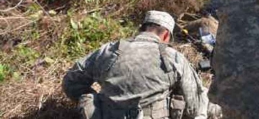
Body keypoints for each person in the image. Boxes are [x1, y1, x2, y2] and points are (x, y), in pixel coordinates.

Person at [63, 10, 222, 119]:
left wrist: (100, 102)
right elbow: (193, 107)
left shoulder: (109, 50)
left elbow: (71, 82)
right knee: (205, 97)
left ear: (142, 28)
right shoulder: (173, 58)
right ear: (166, 34)